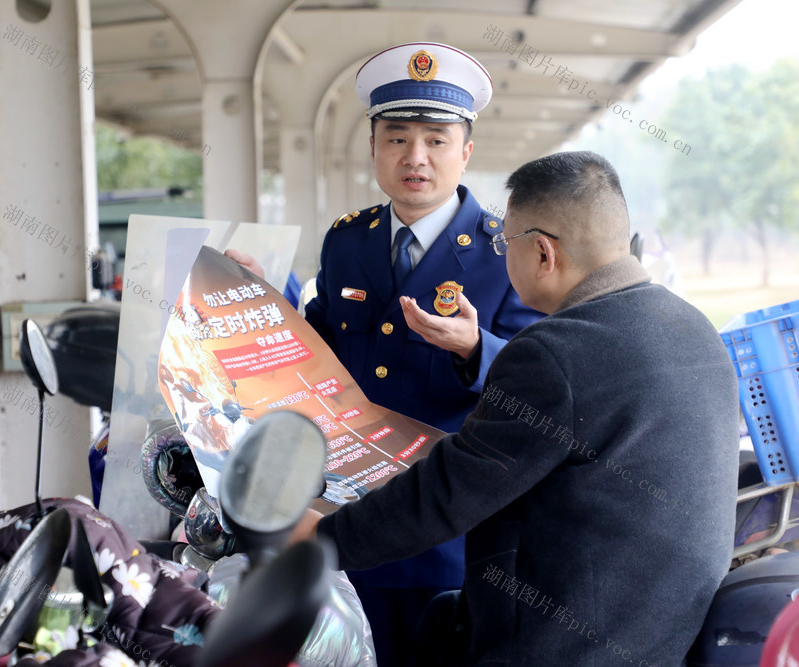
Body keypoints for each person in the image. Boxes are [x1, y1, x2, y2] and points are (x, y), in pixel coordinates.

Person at [292, 151, 741, 666]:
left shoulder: (557, 352)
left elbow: (447, 494)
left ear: (544, 253)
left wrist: (317, 538)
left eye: (507, 242)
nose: (502, 254)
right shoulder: (693, 326)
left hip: (559, 644)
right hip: (657, 634)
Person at [227, 42, 542, 665]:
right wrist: (264, 301)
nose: (415, 158)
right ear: (373, 147)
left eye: (436, 139)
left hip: (449, 534)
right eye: (397, 138)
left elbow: (547, 379)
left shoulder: (506, 250)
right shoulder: (348, 242)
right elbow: (319, 351)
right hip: (348, 520)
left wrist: (478, 349)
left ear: (466, 151)